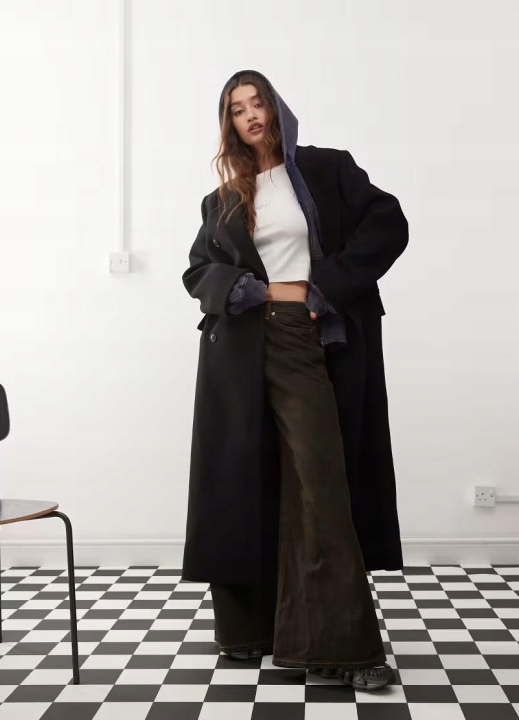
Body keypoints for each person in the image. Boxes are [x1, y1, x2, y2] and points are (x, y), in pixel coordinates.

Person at [181, 69, 409, 692]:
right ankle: (251, 632)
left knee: (319, 485)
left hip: (306, 338)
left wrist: (325, 288)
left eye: (258, 102)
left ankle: (343, 648)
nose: (251, 115)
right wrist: (243, 289)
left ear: (277, 107)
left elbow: (389, 223)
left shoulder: (327, 169)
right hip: (241, 349)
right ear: (228, 123)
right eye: (237, 109)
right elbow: (197, 270)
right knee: (247, 481)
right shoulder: (223, 199)